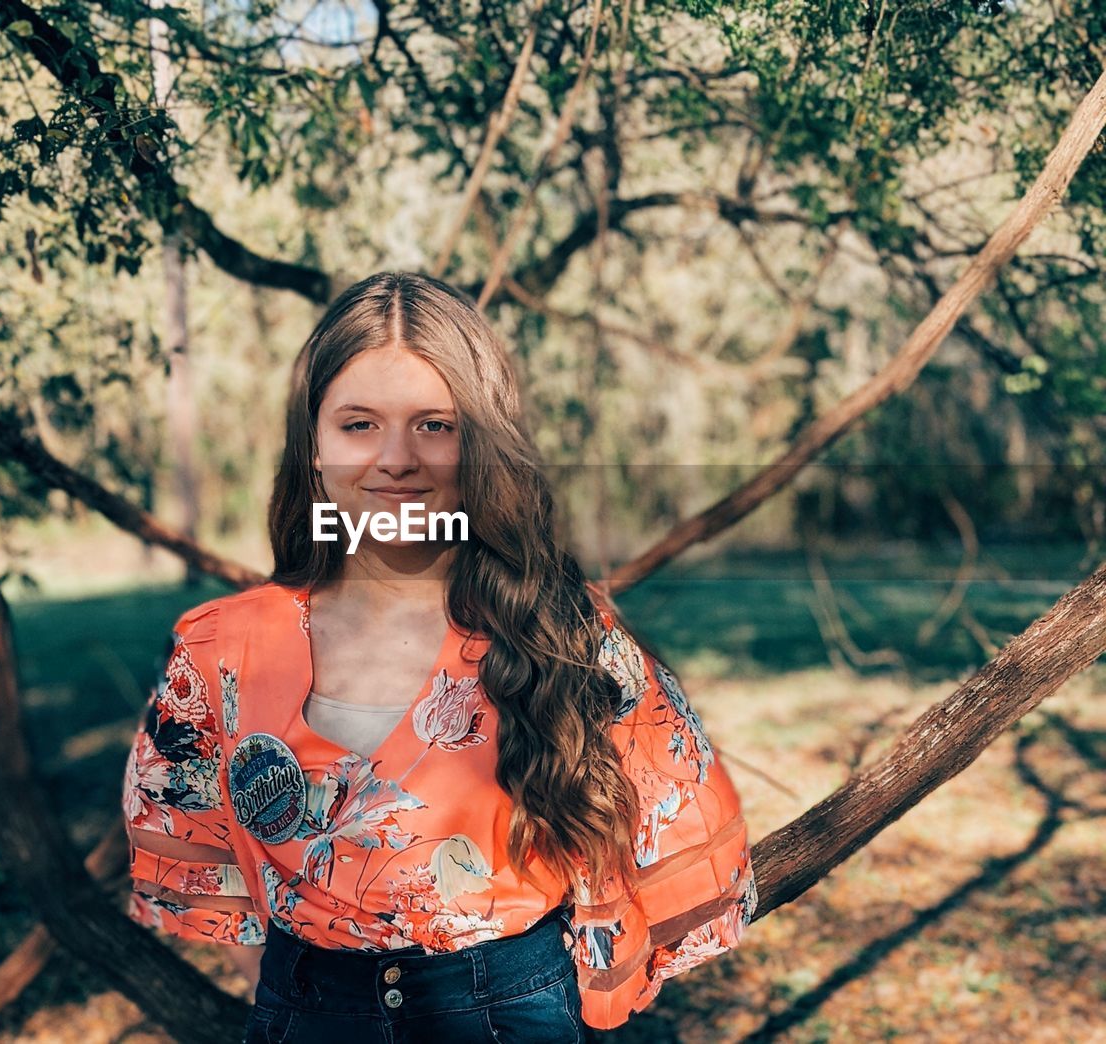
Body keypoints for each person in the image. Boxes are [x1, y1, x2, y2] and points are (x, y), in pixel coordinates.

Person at [121, 271, 757, 1042]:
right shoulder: (221, 647)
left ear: (481, 446)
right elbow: (194, 843)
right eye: (358, 424)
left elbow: (678, 817)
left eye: (435, 425)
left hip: (508, 1012)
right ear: (313, 449)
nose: (396, 459)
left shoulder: (560, 627)